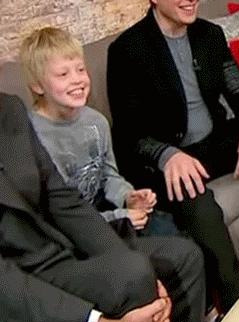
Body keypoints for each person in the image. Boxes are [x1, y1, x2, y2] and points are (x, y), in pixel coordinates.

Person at [107, 0, 239, 312]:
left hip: (213, 143)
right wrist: (167, 155)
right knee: (195, 197)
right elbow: (128, 133)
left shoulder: (209, 35)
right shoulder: (127, 50)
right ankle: (236, 306)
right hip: (167, 161)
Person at [0, 92, 205, 322]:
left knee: (183, 257)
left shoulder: (9, 107)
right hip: (15, 296)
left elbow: (62, 199)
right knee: (131, 278)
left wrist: (126, 259)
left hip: (59, 255)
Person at [24, 27, 180, 238]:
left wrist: (128, 196)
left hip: (107, 214)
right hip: (73, 232)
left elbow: (108, 175)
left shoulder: (96, 122)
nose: (77, 79)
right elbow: (55, 216)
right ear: (37, 86)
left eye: (81, 70)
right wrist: (118, 217)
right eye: (63, 74)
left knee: (178, 239)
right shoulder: (32, 138)